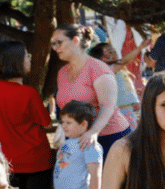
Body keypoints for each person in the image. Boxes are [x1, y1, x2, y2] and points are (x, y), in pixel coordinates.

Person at [0, 41, 56, 189]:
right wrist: (50, 108)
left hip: (12, 160)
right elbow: (45, 121)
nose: (30, 59)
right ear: (17, 62)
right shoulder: (28, 93)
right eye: (27, 56)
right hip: (37, 158)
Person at [52, 24, 131, 160]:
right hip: (80, 140)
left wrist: (93, 132)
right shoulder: (62, 73)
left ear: (76, 40)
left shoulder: (98, 68)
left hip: (111, 137)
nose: (55, 48)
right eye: (53, 44)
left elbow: (108, 105)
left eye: (59, 42)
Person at [88, 40, 147, 130]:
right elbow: (124, 61)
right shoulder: (108, 68)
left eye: (113, 50)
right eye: (110, 52)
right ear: (100, 58)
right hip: (121, 108)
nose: (114, 53)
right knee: (131, 134)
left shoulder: (110, 70)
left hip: (123, 107)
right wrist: (139, 48)